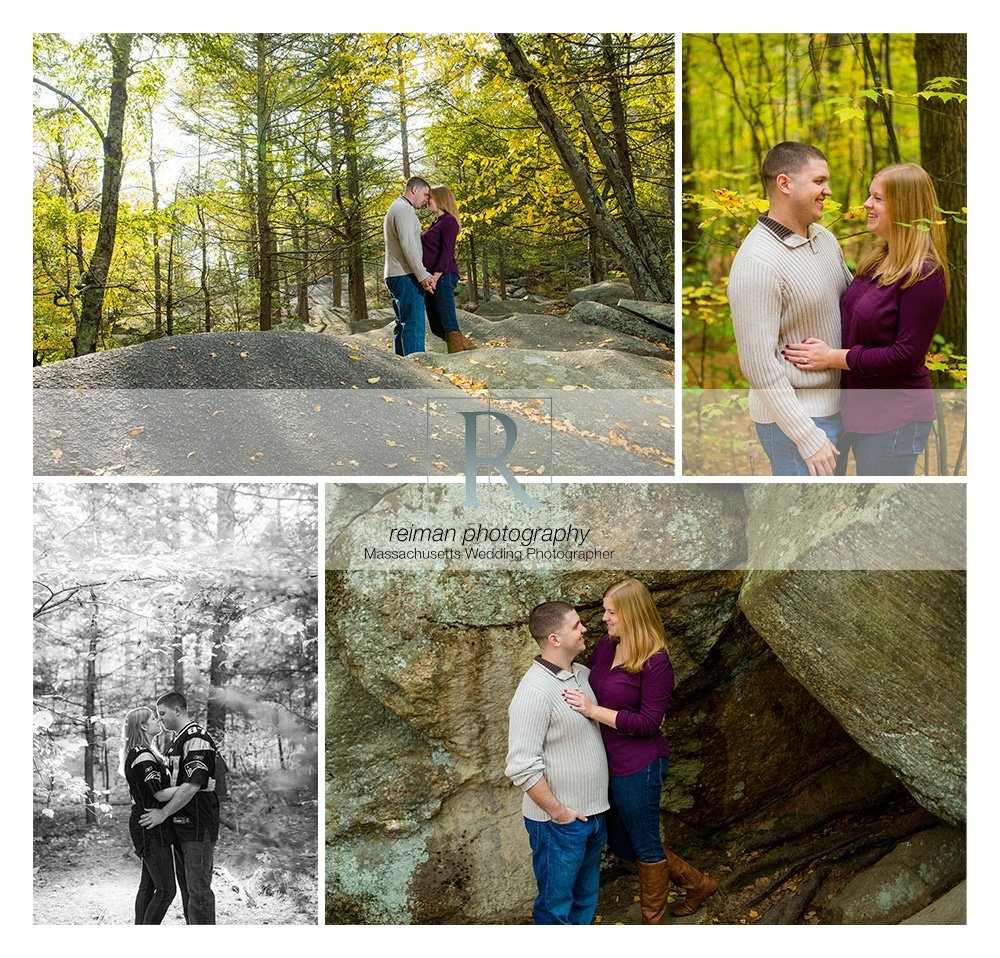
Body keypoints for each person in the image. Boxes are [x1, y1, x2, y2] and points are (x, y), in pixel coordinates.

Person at [563, 579, 717, 924]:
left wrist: (593, 712)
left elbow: (650, 722)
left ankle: (652, 923)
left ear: (630, 614)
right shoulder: (606, 647)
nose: (603, 618)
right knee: (622, 843)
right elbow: (582, 679)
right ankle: (698, 884)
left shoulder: (656, 662)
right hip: (606, 764)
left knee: (645, 846)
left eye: (610, 611)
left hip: (639, 766)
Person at [782, 162, 948, 475]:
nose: (867, 205)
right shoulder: (877, 261)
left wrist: (833, 357)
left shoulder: (924, 274)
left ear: (905, 207)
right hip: (856, 411)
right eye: (870, 196)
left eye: (878, 199)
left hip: (895, 416)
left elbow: (905, 355)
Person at [727, 142, 853, 476]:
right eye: (818, 181)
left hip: (838, 411)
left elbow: (854, 305)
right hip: (796, 424)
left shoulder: (825, 239)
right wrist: (807, 436)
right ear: (785, 184)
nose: (827, 190)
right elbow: (758, 365)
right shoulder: (757, 261)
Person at [505, 601, 609, 925]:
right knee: (555, 909)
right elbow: (521, 765)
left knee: (585, 901)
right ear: (554, 639)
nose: (585, 629)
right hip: (558, 825)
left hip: (594, 816)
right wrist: (560, 814)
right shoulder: (534, 690)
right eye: (576, 625)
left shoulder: (582, 674)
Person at [139, 692, 220, 924]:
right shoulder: (177, 741)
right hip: (179, 824)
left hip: (197, 825)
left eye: (162, 713)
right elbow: (180, 783)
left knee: (199, 891)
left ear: (177, 710)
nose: (160, 718)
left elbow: (193, 784)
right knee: (187, 891)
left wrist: (163, 813)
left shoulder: (197, 738)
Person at [120, 706, 177, 924]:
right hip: (149, 824)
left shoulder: (143, 752)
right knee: (166, 890)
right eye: (154, 718)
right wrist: (195, 787)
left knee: (150, 884)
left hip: (150, 822)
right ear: (143, 726)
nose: (158, 720)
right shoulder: (142, 756)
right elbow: (160, 794)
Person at [384, 175, 437, 356]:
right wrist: (422, 275)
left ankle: (402, 374)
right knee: (414, 327)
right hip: (405, 275)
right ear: (414, 189)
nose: (426, 200)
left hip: (394, 274)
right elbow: (408, 245)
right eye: (425, 194)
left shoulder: (395, 207)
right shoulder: (404, 210)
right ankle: (416, 378)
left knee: (402, 326)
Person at [422, 185, 476, 353]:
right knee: (437, 327)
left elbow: (447, 253)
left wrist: (436, 278)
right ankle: (468, 347)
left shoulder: (449, 221)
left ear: (440, 199)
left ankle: (459, 358)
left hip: (444, 275)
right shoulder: (435, 222)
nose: (426, 200)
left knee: (448, 321)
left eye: (429, 197)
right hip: (432, 277)